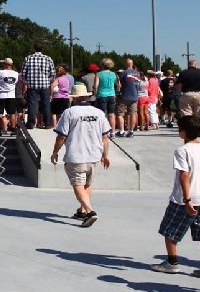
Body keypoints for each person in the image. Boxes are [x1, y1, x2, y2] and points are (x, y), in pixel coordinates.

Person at [152, 115, 200, 279]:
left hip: (185, 199)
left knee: (170, 231)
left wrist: (187, 200)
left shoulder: (182, 150)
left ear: (182, 131)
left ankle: (172, 263)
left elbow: (184, 175)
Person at [49, 83, 111, 228]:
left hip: (76, 156)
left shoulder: (69, 113)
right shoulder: (98, 112)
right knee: (87, 184)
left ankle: (90, 212)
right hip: (94, 155)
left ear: (74, 98)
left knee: (78, 185)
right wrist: (105, 155)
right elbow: (105, 137)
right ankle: (82, 210)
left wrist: (55, 152)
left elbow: (61, 136)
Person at [22, 42, 56, 129]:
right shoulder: (48, 59)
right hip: (44, 85)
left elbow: (23, 73)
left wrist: (26, 81)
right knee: (46, 104)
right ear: (42, 49)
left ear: (34, 48)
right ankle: (48, 123)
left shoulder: (28, 58)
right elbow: (52, 73)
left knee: (32, 104)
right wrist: (47, 80)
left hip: (32, 85)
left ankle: (31, 123)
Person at [115, 58, 141, 138]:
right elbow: (138, 85)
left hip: (124, 96)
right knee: (133, 113)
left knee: (120, 113)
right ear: (132, 64)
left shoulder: (123, 73)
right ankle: (131, 131)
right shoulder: (138, 74)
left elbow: (119, 85)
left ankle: (122, 131)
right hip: (134, 96)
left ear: (126, 64)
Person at [0, 58, 20, 136]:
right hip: (11, 94)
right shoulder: (16, 73)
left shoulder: (1, 72)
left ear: (6, 64)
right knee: (12, 113)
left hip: (1, 95)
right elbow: (16, 82)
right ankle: (13, 128)